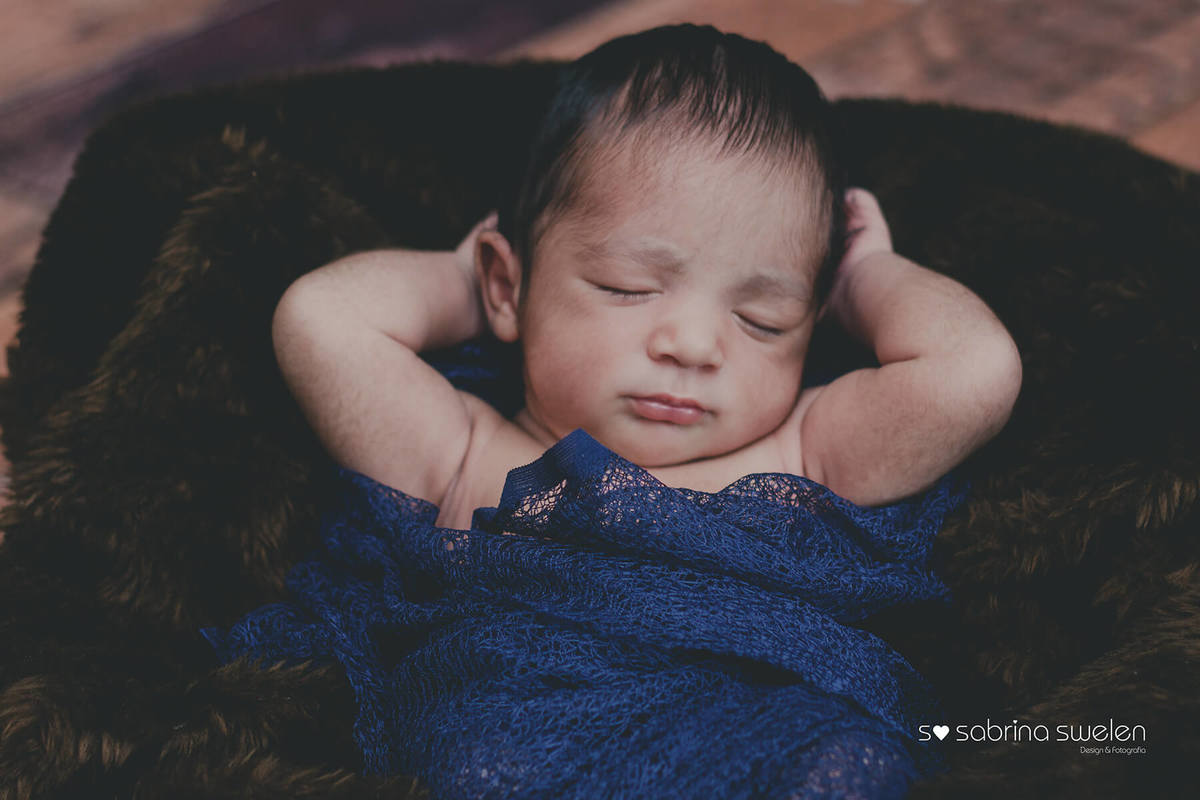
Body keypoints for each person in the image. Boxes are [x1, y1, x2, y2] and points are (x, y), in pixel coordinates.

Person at [270, 24, 1022, 531]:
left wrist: (862, 277)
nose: (693, 346)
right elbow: (323, 320)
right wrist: (466, 280)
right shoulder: (464, 457)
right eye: (628, 286)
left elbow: (973, 372)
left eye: (764, 318)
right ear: (510, 286)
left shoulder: (803, 456)